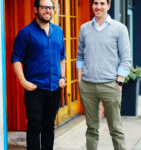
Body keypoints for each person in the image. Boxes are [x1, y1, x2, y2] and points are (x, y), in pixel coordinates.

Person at [76, 0, 132, 149]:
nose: (98, 7)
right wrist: (80, 81)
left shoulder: (120, 29)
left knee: (116, 129)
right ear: (92, 5)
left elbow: (126, 59)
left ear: (108, 5)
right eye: (95, 3)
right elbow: (80, 56)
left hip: (110, 85)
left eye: (102, 3)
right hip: (87, 86)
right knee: (91, 129)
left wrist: (119, 82)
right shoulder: (84, 28)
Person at [11, 0, 66, 149]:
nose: (48, 11)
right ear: (36, 9)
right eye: (44, 7)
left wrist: (63, 77)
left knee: (49, 125)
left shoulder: (58, 31)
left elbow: (62, 57)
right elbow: (16, 59)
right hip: (34, 89)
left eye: (50, 8)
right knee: (34, 125)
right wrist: (23, 82)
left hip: (54, 88)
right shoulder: (26, 33)